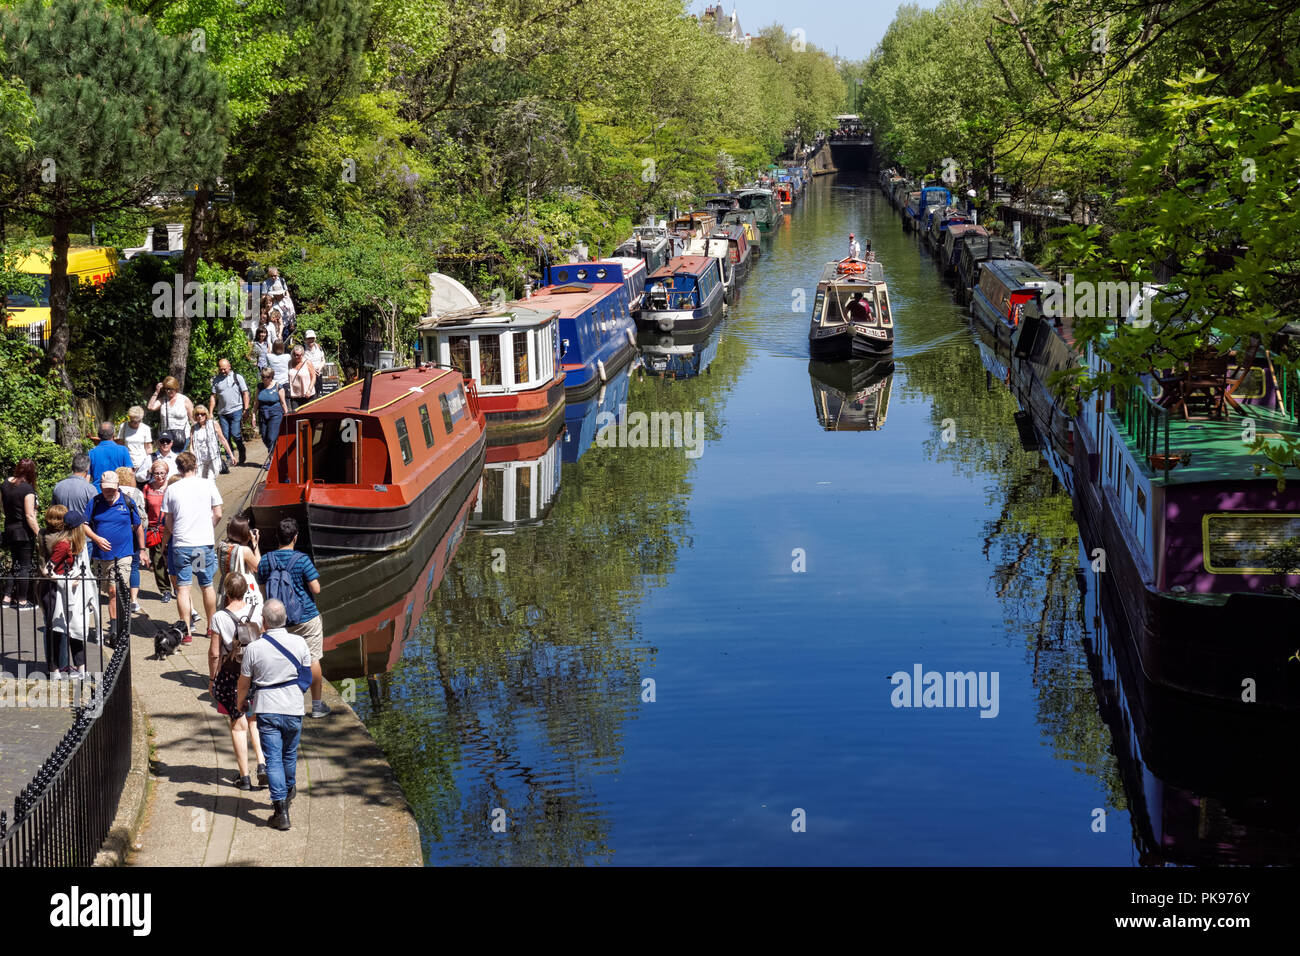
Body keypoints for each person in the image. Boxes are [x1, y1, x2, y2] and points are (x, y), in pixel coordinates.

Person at [236, 598, 317, 830]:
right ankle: (289, 789)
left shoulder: (254, 648)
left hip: (266, 709)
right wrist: (294, 692)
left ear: (264, 622)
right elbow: (307, 676)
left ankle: (280, 811)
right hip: (293, 708)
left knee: (272, 759)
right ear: (284, 620)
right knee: (289, 755)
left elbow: (244, 684)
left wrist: (241, 703)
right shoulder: (300, 643)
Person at [257, 516, 329, 717]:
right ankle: (316, 706)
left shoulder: (265, 561)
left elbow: (264, 594)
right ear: (295, 537)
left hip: (278, 620)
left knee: (282, 659)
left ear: (276, 537)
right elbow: (316, 589)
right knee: (313, 659)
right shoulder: (302, 560)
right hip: (306, 618)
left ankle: (282, 702)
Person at [209, 571, 266, 791]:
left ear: (227, 591)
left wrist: (213, 679)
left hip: (231, 674)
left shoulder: (219, 617)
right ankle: (262, 764)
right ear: (245, 590)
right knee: (254, 719)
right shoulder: (258, 612)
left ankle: (245, 777)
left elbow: (215, 653)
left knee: (238, 725)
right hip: (255, 673)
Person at [161, 452, 223, 642]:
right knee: (206, 585)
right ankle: (211, 627)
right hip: (202, 543)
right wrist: (207, 526)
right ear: (195, 465)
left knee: (183, 588)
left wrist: (178, 531)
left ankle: (185, 631)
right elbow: (218, 513)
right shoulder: (208, 484)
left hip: (181, 544)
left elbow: (168, 521)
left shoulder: (172, 489)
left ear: (178, 468)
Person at [84, 469, 144, 626]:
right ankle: (118, 623)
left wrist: (142, 550)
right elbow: (84, 525)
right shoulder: (95, 502)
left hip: (123, 555)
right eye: (106, 489)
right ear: (101, 487)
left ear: (118, 486)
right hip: (102, 556)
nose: (109, 492)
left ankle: (115, 627)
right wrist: (96, 539)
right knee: (109, 591)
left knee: (114, 590)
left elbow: (138, 526)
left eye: (112, 488)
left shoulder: (127, 502)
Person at [46, 510, 95, 680]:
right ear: (78, 527)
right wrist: (65, 581)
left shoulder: (77, 545)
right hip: (56, 592)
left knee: (75, 628)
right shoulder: (64, 544)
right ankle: (54, 670)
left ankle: (81, 668)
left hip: (71, 592)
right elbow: (47, 570)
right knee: (58, 631)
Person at [2, 458, 39, 609]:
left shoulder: (5, 484)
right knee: (24, 566)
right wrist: (39, 533)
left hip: (9, 528)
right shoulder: (27, 490)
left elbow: (2, 507)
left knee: (14, 564)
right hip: (23, 531)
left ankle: (6, 597)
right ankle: (22, 600)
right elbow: (30, 515)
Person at [36, 504, 68, 673]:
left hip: (44, 583)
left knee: (50, 624)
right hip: (56, 582)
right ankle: (59, 665)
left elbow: (41, 559)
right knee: (59, 625)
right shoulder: (62, 538)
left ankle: (54, 664)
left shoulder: (42, 533)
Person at [141, 458, 174, 604]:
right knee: (158, 561)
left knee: (173, 560)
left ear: (167, 473)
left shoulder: (172, 487)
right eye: (156, 473)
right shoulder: (148, 488)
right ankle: (165, 589)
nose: (159, 476)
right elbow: (144, 510)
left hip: (171, 528)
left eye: (162, 473)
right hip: (155, 530)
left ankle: (179, 587)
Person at [115, 467, 146, 613]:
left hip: (118, 532)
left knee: (117, 563)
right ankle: (134, 600)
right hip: (135, 531)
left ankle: (118, 596)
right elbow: (142, 514)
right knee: (134, 566)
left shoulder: (113, 492)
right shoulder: (137, 492)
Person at [210, 358, 250, 467]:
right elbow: (213, 396)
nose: (222, 371)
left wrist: (246, 409)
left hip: (236, 410)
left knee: (236, 434)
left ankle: (241, 450)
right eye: (220, 369)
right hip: (222, 412)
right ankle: (230, 458)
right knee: (225, 436)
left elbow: (245, 393)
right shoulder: (216, 380)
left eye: (224, 369)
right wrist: (210, 412)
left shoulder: (237, 377)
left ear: (229, 366)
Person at [218, 515, 262, 610]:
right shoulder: (244, 551)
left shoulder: (222, 547)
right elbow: (258, 567)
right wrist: (255, 543)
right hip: (241, 592)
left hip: (225, 590)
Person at [189, 406, 235, 481]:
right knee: (201, 482)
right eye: (197, 414)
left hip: (213, 459)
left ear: (206, 414)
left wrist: (231, 456)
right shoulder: (193, 428)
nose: (200, 416)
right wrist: (193, 460)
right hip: (200, 460)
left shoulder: (214, 424)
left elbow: (223, 440)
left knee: (210, 481)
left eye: (202, 414)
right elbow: (191, 446)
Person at [148, 376, 194, 450]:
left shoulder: (184, 400)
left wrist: (193, 440)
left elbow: (193, 420)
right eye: (166, 389)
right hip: (166, 438)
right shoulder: (163, 400)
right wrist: (157, 391)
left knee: (177, 460)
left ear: (176, 388)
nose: (168, 391)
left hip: (182, 437)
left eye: (171, 389)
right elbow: (150, 407)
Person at [256, 368, 290, 469]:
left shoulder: (278, 387)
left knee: (271, 437)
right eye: (263, 377)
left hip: (276, 414)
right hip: (262, 414)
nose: (264, 379)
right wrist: (253, 414)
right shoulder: (260, 387)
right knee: (265, 438)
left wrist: (287, 415)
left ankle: (272, 460)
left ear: (271, 377)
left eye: (267, 377)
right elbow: (256, 402)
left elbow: (283, 403)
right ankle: (274, 455)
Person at [87, 421, 133, 492]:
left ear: (99, 435)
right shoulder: (123, 450)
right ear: (113, 435)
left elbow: (87, 477)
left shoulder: (91, 453)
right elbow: (129, 474)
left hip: (98, 493)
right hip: (117, 493)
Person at [116, 406, 153, 473]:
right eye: (133, 421)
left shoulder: (145, 428)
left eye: (138, 421)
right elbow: (120, 445)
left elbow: (148, 447)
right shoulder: (123, 427)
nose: (136, 423)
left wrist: (150, 462)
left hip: (142, 463)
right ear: (130, 418)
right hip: (127, 463)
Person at [286, 345, 317, 410]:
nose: (296, 357)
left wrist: (309, 389)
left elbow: (313, 376)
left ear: (302, 355)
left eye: (298, 355)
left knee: (308, 417)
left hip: (307, 395)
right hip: (294, 396)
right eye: (294, 354)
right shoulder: (290, 363)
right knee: (297, 417)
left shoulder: (307, 363)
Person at [303, 332, 326, 398]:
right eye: (309, 338)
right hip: (308, 376)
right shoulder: (302, 348)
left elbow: (323, 360)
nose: (311, 340)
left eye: (312, 338)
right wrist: (312, 370)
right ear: (305, 339)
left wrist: (319, 369)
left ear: (315, 338)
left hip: (318, 374)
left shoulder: (319, 347)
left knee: (318, 395)